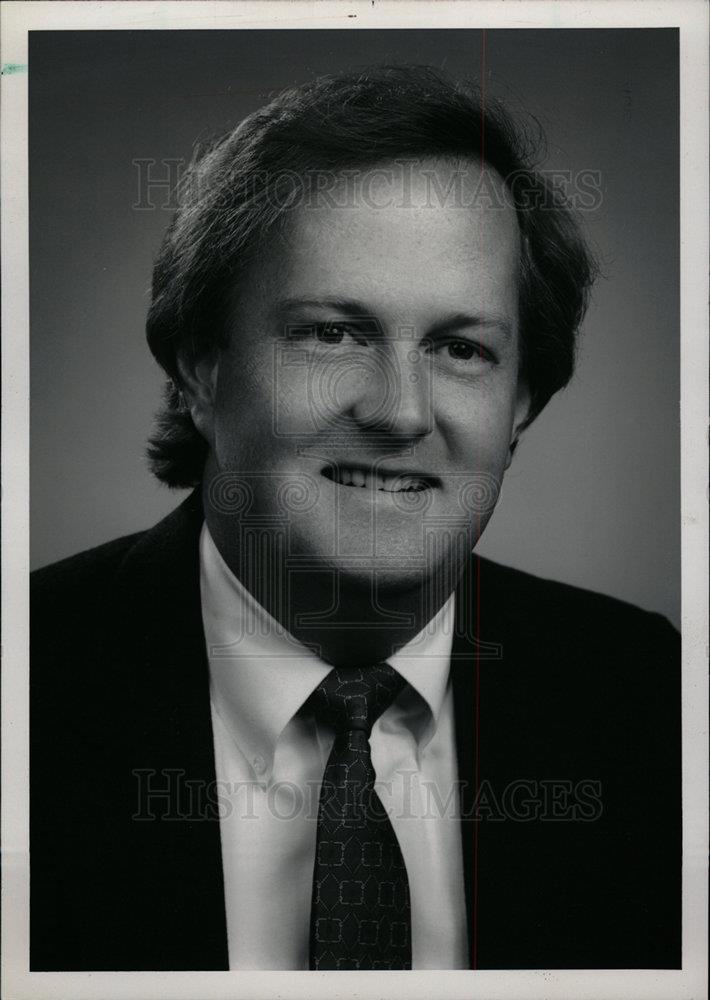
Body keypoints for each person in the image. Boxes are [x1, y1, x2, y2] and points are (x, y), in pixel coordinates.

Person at [30, 65, 680, 972]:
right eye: (333, 333)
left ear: (522, 400)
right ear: (201, 367)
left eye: (461, 348)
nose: (400, 412)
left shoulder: (653, 701)